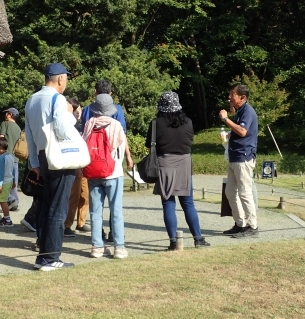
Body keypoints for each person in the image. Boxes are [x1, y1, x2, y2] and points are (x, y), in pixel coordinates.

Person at [24, 62, 77, 271]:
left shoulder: (32, 99)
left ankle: (43, 255)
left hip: (42, 156)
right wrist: (71, 114)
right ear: (61, 79)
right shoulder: (58, 99)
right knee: (58, 207)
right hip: (60, 157)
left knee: (46, 206)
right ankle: (51, 257)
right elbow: (62, 130)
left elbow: (28, 134)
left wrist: (34, 163)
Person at [146, 91, 210, 250]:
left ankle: (174, 241)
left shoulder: (156, 123)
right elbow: (189, 142)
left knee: (168, 203)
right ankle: (198, 238)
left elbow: (149, 145)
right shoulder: (188, 122)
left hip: (164, 163)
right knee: (188, 203)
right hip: (184, 163)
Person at [81, 79, 133, 241]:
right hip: (113, 162)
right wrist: (129, 156)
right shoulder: (117, 109)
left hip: (92, 162)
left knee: (95, 208)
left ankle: (98, 238)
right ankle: (115, 234)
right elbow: (122, 136)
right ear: (111, 93)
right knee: (115, 204)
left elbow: (84, 135)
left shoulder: (87, 110)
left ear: (95, 91)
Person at [218, 83, 259, 237]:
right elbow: (239, 131)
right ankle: (240, 223)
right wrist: (228, 135)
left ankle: (252, 226)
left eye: (232, 94)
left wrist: (226, 119)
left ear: (242, 97)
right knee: (230, 191)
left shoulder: (248, 111)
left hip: (244, 157)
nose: (229, 97)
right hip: (235, 156)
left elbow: (242, 131)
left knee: (244, 191)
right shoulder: (240, 111)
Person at [64, 97, 90, 237]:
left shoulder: (83, 125)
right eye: (75, 109)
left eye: (79, 109)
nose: (78, 112)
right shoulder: (67, 125)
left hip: (84, 165)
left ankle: (81, 222)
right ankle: (66, 225)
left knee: (85, 195)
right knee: (73, 196)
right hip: (73, 165)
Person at [0, 107, 22, 211]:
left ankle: (10, 199)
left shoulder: (5, 124)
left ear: (10, 115)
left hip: (6, 157)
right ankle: (14, 202)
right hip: (15, 158)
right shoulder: (18, 128)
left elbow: (1, 138)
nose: (5, 115)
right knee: (13, 181)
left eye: (6, 113)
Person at [0, 136, 17, 227]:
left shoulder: (2, 158)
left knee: (2, 201)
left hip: (4, 182)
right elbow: (14, 170)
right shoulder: (11, 156)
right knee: (4, 199)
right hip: (10, 180)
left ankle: (7, 219)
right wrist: (14, 181)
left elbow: (1, 172)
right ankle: (6, 217)